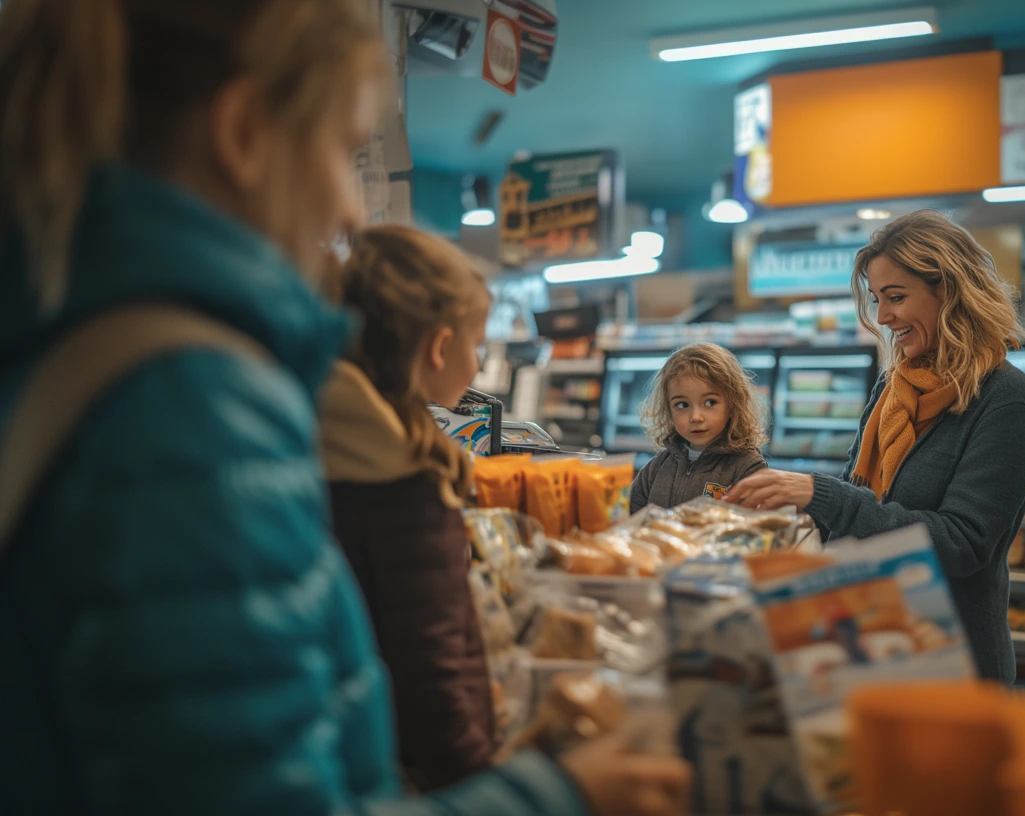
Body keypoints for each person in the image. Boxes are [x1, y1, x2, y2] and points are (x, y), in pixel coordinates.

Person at [0, 2, 688, 814]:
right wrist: (560, 796)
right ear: (246, 134)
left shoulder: (70, 343)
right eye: (338, 150)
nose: (349, 210)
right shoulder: (196, 409)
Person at [725, 210, 1025, 685]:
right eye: (877, 299)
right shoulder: (893, 387)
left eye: (896, 297)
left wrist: (822, 495)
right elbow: (863, 496)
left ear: (949, 291)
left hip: (952, 667)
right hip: (870, 640)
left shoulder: (1004, 399)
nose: (883, 316)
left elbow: (962, 543)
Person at [317, 225, 500, 792]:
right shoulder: (404, 480)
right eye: (477, 345)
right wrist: (483, 784)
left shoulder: (311, 437)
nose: (476, 363)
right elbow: (432, 673)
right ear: (440, 347)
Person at [630, 342, 768, 513]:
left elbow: (754, 530)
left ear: (733, 405)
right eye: (682, 405)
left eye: (710, 402)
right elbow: (630, 520)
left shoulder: (748, 468)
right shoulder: (656, 469)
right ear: (668, 410)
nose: (695, 417)